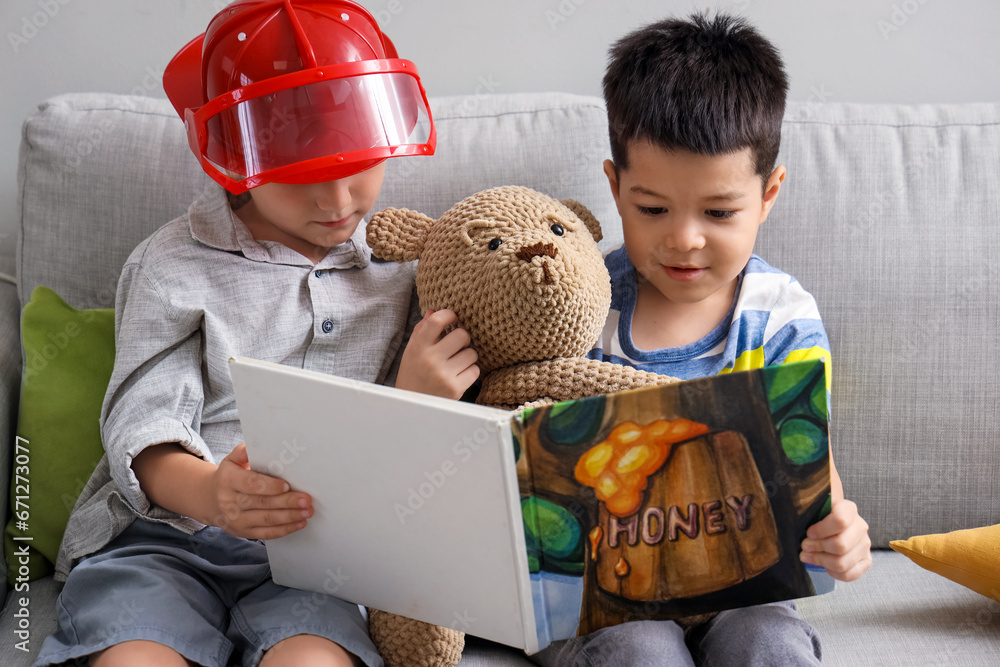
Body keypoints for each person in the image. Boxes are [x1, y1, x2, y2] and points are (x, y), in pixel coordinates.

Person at [34, 2, 476, 666]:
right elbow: (143, 422)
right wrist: (213, 494)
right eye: (300, 178)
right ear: (234, 159)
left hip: (318, 561)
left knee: (313, 660)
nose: (338, 202)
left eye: (358, 165)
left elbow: (408, 472)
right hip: (162, 541)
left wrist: (417, 400)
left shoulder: (408, 270)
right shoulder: (172, 265)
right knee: (135, 656)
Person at [533, 13, 872, 666]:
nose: (684, 239)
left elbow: (812, 471)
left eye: (719, 212)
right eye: (652, 209)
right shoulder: (581, 307)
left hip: (742, 587)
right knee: (642, 650)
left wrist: (842, 532)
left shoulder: (780, 317)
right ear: (615, 189)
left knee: (770, 641)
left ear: (768, 194)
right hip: (604, 598)